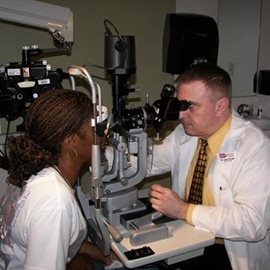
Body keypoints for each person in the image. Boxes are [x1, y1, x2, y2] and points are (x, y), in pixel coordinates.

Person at [146, 63, 270, 270]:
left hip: (227, 250)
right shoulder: (184, 134)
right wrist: (103, 153)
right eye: (180, 106)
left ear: (220, 106)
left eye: (190, 106)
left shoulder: (255, 147)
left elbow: (252, 223)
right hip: (189, 237)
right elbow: (148, 163)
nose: (181, 115)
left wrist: (184, 210)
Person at [0, 89, 112, 270]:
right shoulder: (54, 200)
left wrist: (92, 250)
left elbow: (40, 237)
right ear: (72, 141)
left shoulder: (30, 171)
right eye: (96, 129)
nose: (103, 134)